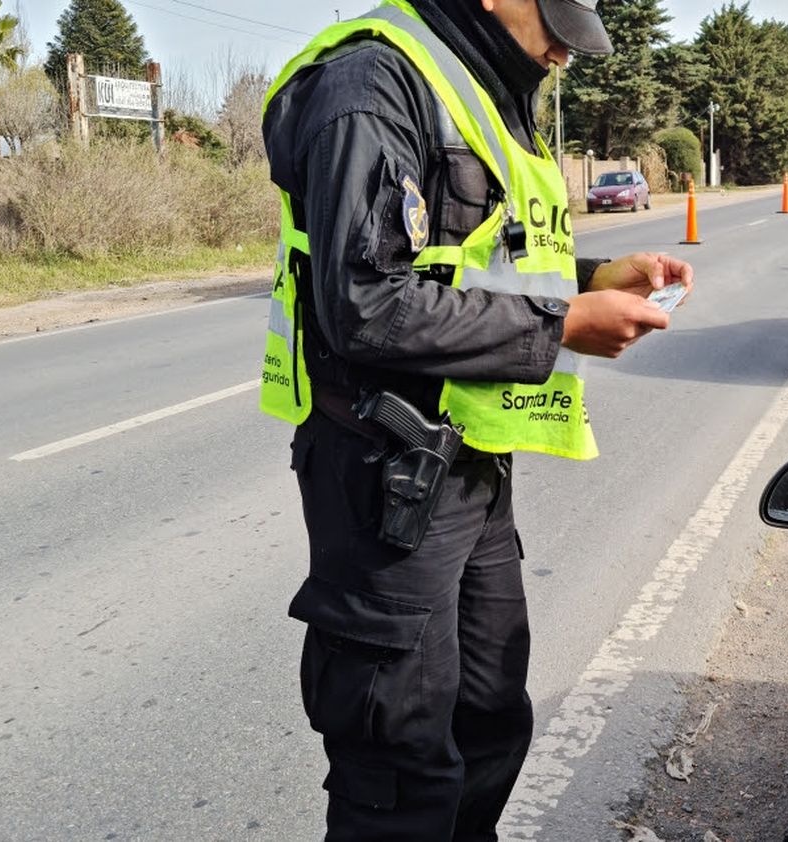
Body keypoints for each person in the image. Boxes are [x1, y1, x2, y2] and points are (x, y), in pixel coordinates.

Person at [258, 1, 693, 838]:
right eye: (558, 22)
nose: (569, 49)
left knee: (489, 716)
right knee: (400, 762)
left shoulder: (482, 86)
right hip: (387, 473)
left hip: (472, 467)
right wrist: (563, 325)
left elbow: (482, 254)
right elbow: (364, 303)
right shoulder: (373, 82)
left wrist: (603, 273)